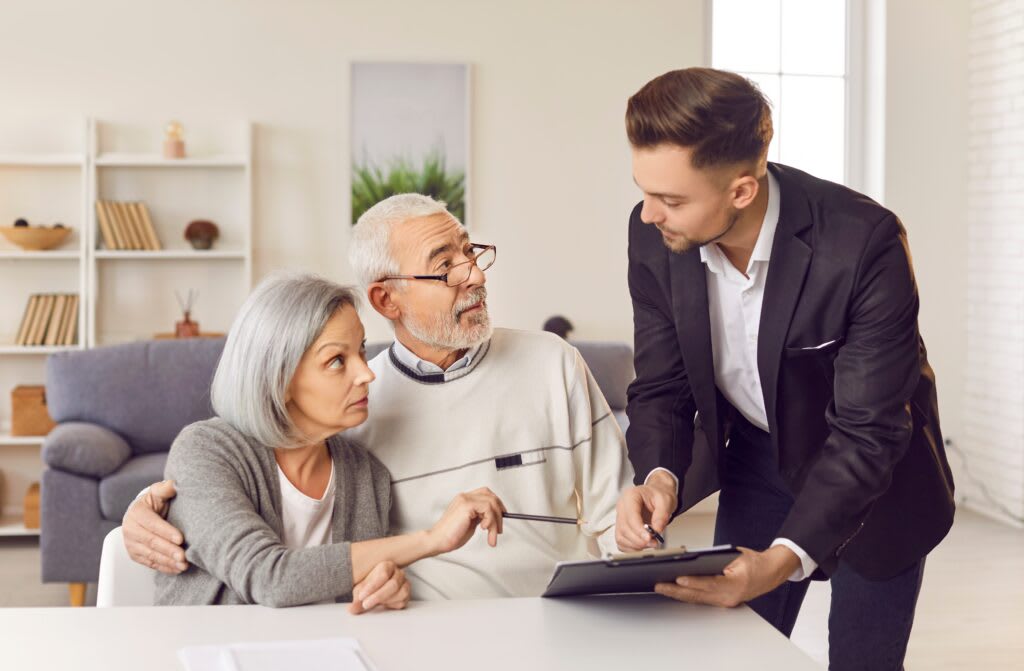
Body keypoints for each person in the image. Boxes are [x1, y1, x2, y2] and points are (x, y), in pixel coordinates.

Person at [124, 194, 634, 600]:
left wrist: (384, 586)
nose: (475, 275)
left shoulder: (551, 363)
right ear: (386, 299)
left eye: (470, 252)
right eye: (445, 265)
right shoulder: (359, 412)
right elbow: (265, 557)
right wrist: (152, 509)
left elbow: (619, 514)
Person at [614, 68, 955, 669]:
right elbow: (663, 384)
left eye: (672, 200)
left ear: (741, 191)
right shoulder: (654, 238)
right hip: (757, 457)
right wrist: (660, 475)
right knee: (733, 654)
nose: (648, 214)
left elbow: (869, 430)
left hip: (876, 476)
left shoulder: (864, 242)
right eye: (645, 190)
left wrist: (782, 560)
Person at [153, 273, 506, 609]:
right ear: (279, 379)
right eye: (337, 360)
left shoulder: (366, 475)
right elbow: (270, 578)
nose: (366, 373)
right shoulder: (206, 451)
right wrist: (432, 540)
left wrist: (384, 588)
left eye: (361, 351)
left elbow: (353, 586)